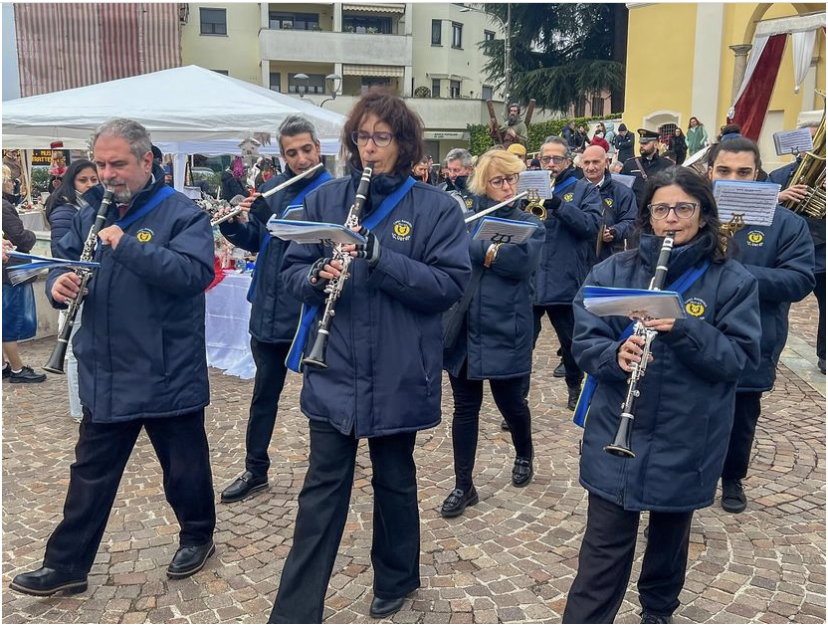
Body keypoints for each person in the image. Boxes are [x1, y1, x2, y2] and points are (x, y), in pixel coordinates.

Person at [269, 89, 471, 623]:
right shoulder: (324, 200)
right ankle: (295, 610)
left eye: (382, 137)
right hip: (333, 363)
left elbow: (449, 286)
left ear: (403, 144)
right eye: (362, 136)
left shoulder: (435, 208)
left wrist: (381, 258)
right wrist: (316, 276)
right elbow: (291, 271)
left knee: (395, 478)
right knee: (321, 489)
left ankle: (398, 577)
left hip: (400, 368)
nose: (370, 148)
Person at [10, 118, 217, 597]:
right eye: (101, 164)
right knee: (90, 473)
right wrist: (59, 287)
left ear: (147, 161)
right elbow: (65, 265)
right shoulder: (86, 214)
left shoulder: (182, 214)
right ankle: (66, 565)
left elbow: (192, 274)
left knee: (184, 466)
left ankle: (198, 536)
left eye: (118, 163)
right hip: (105, 365)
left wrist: (126, 245)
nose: (107, 173)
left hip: (167, 365)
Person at [563, 166, 762, 624]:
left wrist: (685, 329)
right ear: (648, 216)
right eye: (661, 209)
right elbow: (585, 340)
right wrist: (617, 355)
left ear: (703, 213)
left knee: (670, 539)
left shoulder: (733, 281)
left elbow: (738, 360)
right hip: (617, 427)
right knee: (602, 549)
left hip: (688, 434)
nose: (672, 218)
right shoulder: (613, 270)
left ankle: (657, 611)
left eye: (684, 208)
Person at [216, 115, 332, 504]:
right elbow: (260, 240)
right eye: (291, 152)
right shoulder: (272, 187)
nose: (300, 158)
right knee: (263, 394)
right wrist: (235, 226)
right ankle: (255, 468)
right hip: (266, 304)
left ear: (318, 148)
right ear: (282, 155)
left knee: (321, 396)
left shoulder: (333, 192)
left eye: (306, 150)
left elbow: (328, 247)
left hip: (305, 310)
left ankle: (329, 467)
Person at [706, 138, 815, 514]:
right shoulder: (692, 214)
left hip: (753, 337)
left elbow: (800, 281)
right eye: (723, 171)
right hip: (695, 334)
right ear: (709, 173)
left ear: (758, 175)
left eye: (743, 172)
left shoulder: (787, 223)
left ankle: (732, 477)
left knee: (741, 417)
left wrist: (735, 273)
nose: (733, 179)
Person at [440, 149, 545, 518]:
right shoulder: (467, 216)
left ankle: (524, 452)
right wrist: (489, 250)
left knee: (512, 404)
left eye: (512, 179)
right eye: (498, 180)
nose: (506, 186)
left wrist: (480, 250)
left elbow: (521, 263)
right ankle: (463, 484)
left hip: (506, 327)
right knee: (465, 409)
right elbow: (451, 251)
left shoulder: (530, 221)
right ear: (483, 182)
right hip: (466, 329)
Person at [532, 137, 602, 409]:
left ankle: (574, 386)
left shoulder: (584, 189)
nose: (550, 164)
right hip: (531, 278)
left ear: (568, 161)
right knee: (522, 345)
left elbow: (590, 226)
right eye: (545, 159)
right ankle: (518, 398)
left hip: (564, 279)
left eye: (556, 159)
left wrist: (559, 206)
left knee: (571, 342)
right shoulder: (527, 187)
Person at [44, 159, 101, 421]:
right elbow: (62, 253)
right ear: (71, 182)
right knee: (76, 351)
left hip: (86, 286)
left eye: (93, 179)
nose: (90, 184)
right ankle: (79, 409)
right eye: (83, 180)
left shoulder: (92, 206)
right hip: (74, 286)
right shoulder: (67, 211)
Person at [769, 122, 825, 374]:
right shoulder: (778, 177)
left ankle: (825, 356)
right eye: (808, 142)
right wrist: (778, 196)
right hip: (787, 253)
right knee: (777, 308)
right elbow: (756, 211)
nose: (812, 148)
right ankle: (769, 353)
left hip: (822, 251)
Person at [2, 165, 47, 384]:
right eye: (9, 179)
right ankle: (18, 370)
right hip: (11, 272)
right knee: (10, 320)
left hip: (6, 270)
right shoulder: (3, 207)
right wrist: (30, 234)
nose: (12, 183)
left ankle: (3, 365)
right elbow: (20, 237)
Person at [580, 145, 638, 261]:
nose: (590, 167)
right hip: (578, 259)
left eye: (595, 162)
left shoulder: (622, 192)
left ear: (606, 162)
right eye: (586, 163)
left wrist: (614, 231)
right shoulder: (572, 191)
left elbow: (632, 222)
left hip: (609, 258)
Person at [621, 128, 673, 209]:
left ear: (656, 145)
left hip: (658, 211)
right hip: (635, 213)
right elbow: (621, 189)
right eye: (641, 143)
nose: (642, 146)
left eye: (645, 143)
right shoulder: (630, 164)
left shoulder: (667, 165)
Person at [441, 148, 478, 213]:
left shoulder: (479, 192)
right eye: (449, 170)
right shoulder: (441, 189)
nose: (452, 175)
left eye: (456, 170)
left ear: (470, 169)